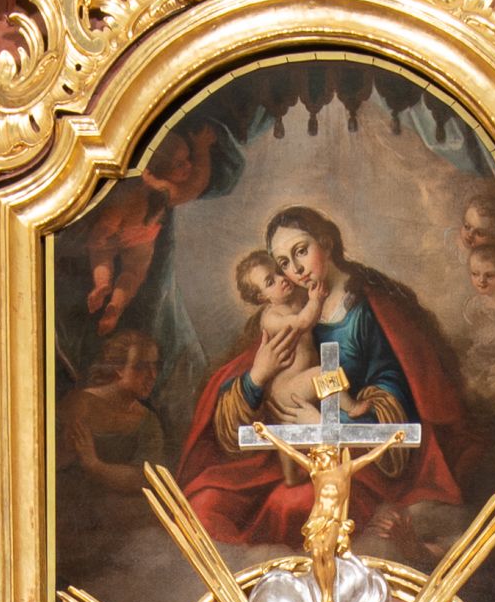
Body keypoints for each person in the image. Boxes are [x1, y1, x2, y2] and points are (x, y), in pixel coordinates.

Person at [176, 197, 474, 556]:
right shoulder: (290, 307)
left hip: (360, 458)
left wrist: (328, 424)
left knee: (297, 505)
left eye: (301, 251)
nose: (295, 269)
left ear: (327, 243)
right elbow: (240, 392)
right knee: (207, 506)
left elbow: (397, 401)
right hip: (288, 449)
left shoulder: (368, 310)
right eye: (283, 263)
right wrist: (257, 377)